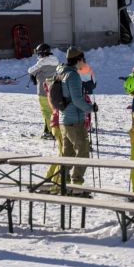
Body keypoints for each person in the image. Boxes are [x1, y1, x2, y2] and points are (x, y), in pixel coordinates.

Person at [58, 46, 95, 186]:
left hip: (64, 120)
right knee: (83, 151)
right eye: (83, 60)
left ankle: (63, 183)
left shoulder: (61, 72)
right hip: (75, 120)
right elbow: (77, 100)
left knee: (68, 154)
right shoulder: (73, 76)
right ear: (78, 60)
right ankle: (77, 184)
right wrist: (91, 108)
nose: (84, 62)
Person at [28, 43, 59, 139]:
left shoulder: (42, 63)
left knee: (46, 111)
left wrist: (34, 75)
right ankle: (51, 130)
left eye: (39, 53)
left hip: (43, 91)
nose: (38, 55)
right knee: (53, 110)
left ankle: (50, 132)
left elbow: (30, 70)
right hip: (54, 90)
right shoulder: (56, 61)